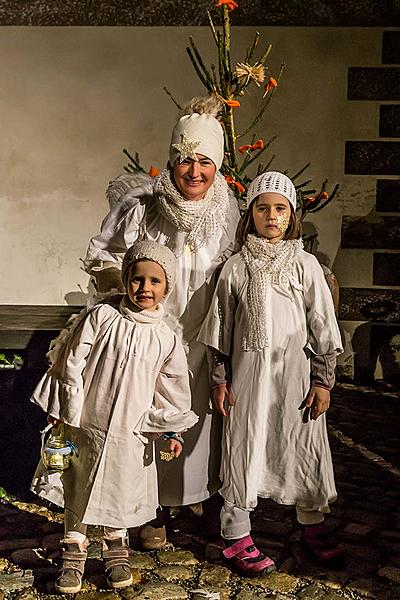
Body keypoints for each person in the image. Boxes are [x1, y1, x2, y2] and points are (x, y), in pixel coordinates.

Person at [83, 96, 241, 548]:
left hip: (204, 337)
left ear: (218, 165)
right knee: (145, 417)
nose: (194, 171)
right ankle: (147, 509)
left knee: (201, 419)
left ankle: (199, 498)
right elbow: (104, 254)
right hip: (150, 336)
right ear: (172, 161)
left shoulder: (228, 213)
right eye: (185, 160)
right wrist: (132, 302)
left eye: (204, 161)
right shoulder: (144, 208)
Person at [198, 171, 344, 576]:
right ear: (252, 215)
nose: (272, 215)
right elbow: (220, 330)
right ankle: (236, 533)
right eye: (262, 207)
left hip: (295, 381)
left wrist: (322, 379)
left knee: (302, 442)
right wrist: (220, 378)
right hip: (247, 381)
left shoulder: (305, 264)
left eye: (280, 208)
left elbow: (323, 326)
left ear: (292, 214)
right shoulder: (235, 268)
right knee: (245, 443)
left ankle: (312, 525)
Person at [31, 241, 198, 593]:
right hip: (87, 421)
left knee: (121, 487)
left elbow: (172, 388)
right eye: (138, 279)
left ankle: (115, 550)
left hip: (130, 430)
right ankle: (73, 551)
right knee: (78, 483)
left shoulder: (165, 338)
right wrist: (65, 412)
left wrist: (171, 431)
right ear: (126, 280)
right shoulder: (103, 318)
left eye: (155, 281)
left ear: (167, 288)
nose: (145, 288)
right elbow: (72, 362)